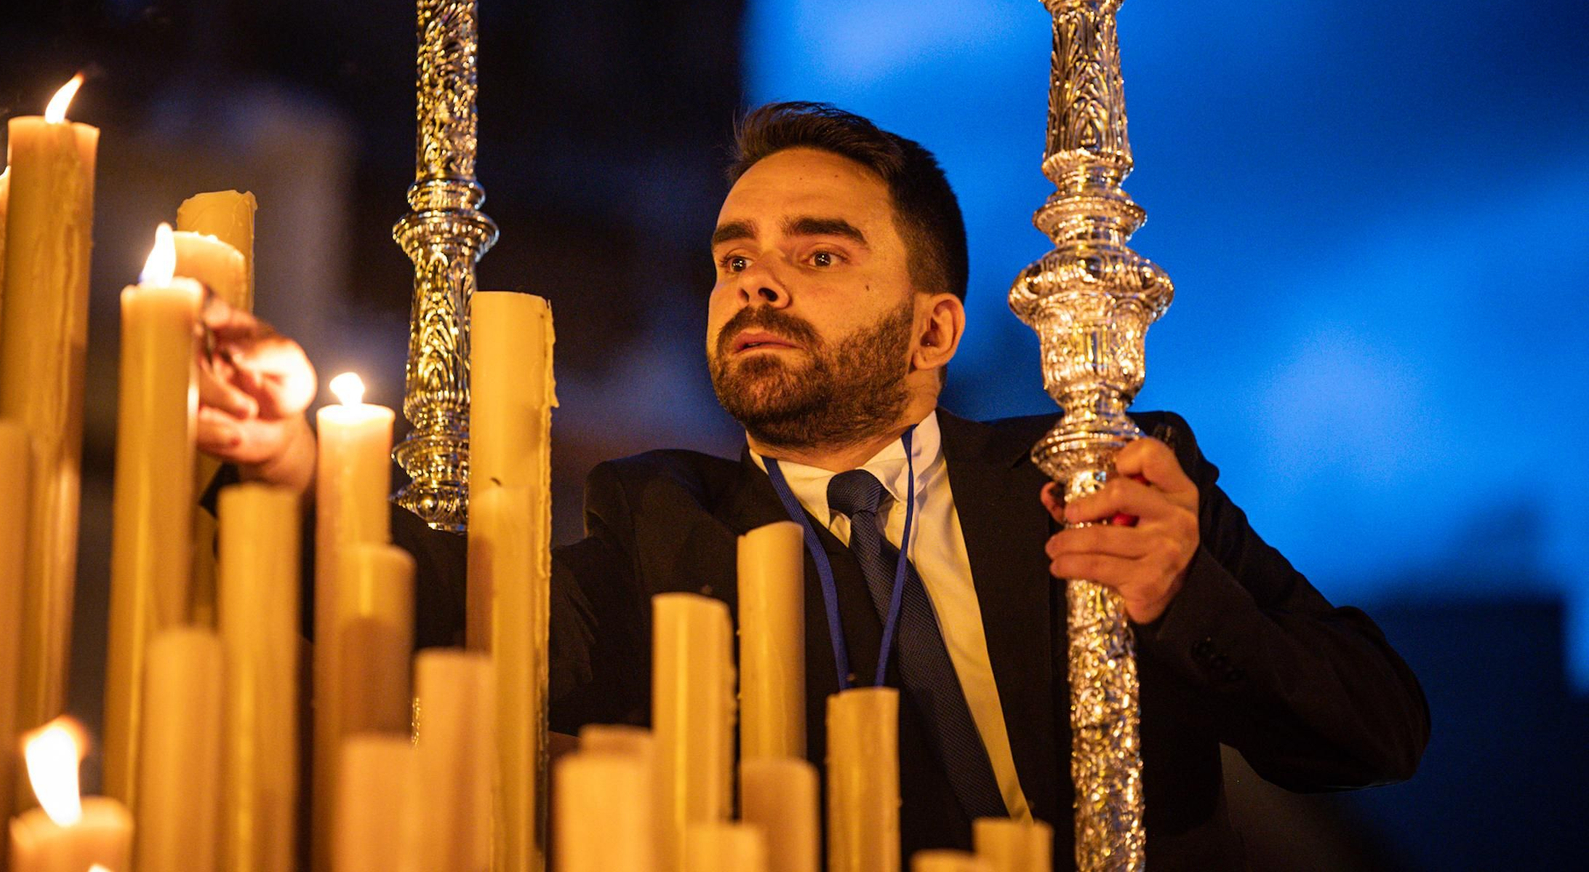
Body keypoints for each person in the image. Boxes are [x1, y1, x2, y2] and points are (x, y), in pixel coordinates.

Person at [203, 101, 1429, 869]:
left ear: (933, 329)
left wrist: (1181, 597)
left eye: (819, 254)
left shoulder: (1103, 472)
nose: (756, 283)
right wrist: (297, 461)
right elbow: (458, 618)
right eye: (734, 257)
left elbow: (1374, 730)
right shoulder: (660, 524)